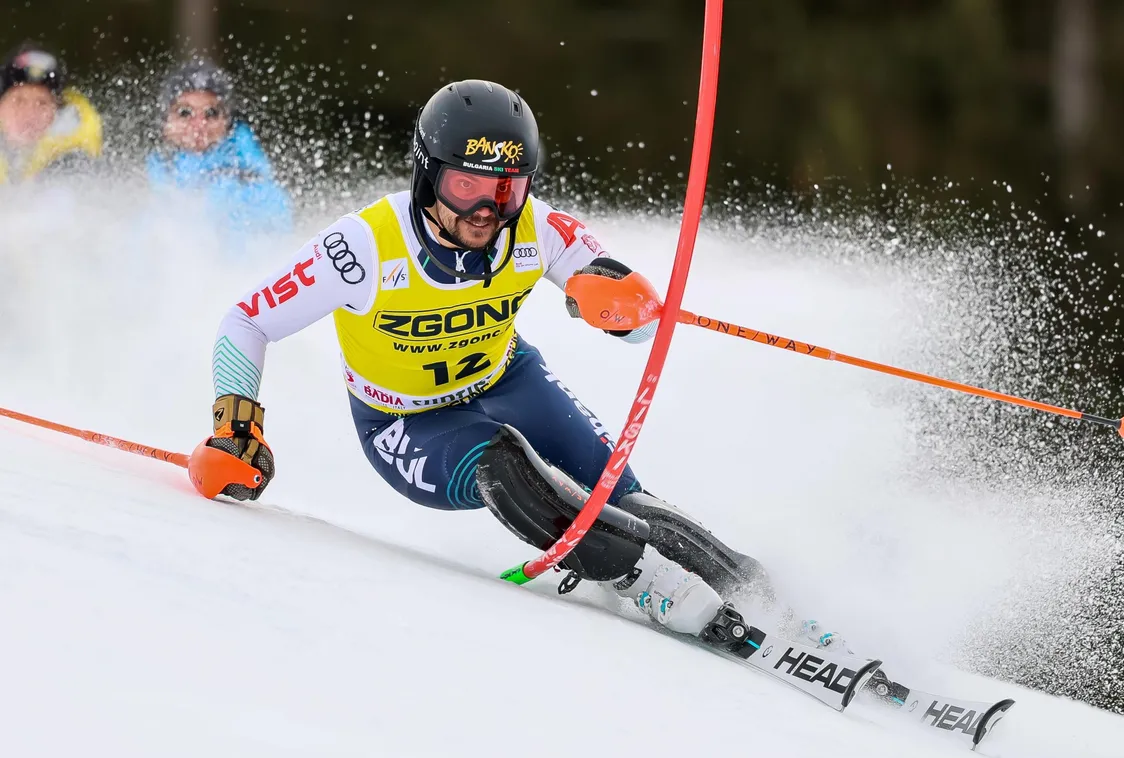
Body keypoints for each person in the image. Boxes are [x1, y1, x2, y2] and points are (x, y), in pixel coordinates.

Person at [196, 79, 835, 650]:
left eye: (506, 187)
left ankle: (764, 599)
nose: (486, 209)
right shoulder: (362, 246)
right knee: (503, 462)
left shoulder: (536, 227)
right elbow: (246, 321)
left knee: (623, 494)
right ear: (427, 175)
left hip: (508, 379)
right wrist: (236, 426)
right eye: (465, 185)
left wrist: (621, 303)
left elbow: (630, 314)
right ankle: (638, 576)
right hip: (405, 423)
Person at [146, 58, 291, 234]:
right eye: (184, 113)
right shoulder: (148, 174)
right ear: (165, 122)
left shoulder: (247, 177)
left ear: (227, 122)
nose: (199, 125)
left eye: (211, 113)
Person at [0, 44, 102, 183]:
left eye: (42, 103)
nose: (30, 114)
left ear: (57, 111)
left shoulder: (72, 159)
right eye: (19, 101)